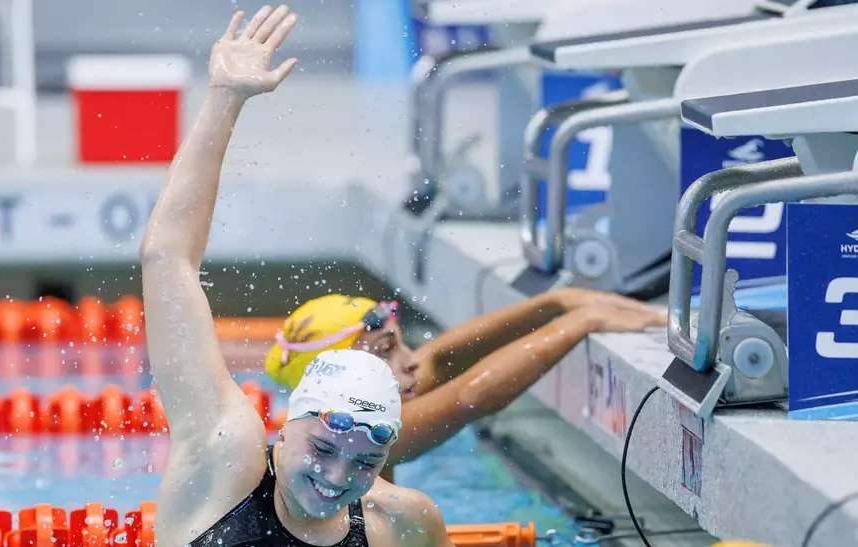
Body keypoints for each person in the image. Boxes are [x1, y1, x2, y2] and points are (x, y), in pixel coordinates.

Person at [139, 6, 454, 547]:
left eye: (367, 462)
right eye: (324, 448)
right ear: (287, 423)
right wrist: (224, 100)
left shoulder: (402, 524)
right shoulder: (223, 463)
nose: (336, 479)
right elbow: (168, 257)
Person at [266, 288, 667, 478]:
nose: (410, 362)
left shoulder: (350, 404)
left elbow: (441, 357)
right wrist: (580, 323)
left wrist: (555, 302)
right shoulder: (354, 437)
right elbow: (470, 397)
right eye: (387, 349)